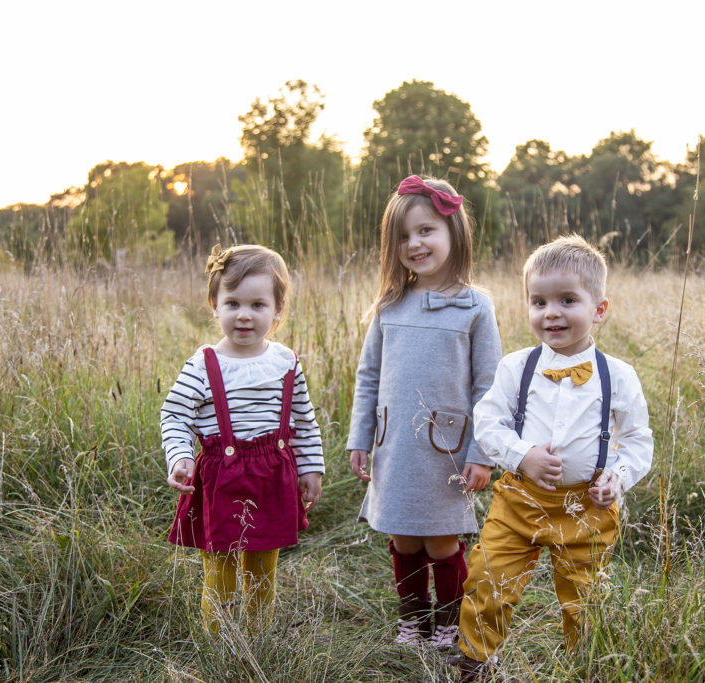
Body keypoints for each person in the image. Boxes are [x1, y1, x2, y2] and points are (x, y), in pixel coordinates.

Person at [455, 234, 653, 679]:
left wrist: (617, 477)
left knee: (585, 596)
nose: (552, 313)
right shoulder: (516, 366)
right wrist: (522, 455)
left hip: (588, 506)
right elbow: (488, 422)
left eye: (568, 300)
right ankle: (476, 660)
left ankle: (585, 663)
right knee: (488, 579)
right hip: (519, 502)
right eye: (539, 301)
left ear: (599, 309)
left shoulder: (618, 376)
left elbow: (637, 439)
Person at [347, 175, 502, 650]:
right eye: (402, 236)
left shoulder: (475, 307)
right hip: (395, 447)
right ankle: (412, 621)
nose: (414, 243)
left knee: (441, 542)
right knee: (404, 539)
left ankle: (449, 624)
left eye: (426, 230)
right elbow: (368, 376)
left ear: (455, 232)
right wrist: (359, 436)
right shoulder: (389, 307)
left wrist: (482, 453)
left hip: (448, 453)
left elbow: (489, 387)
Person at [162, 244, 324, 635]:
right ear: (214, 306)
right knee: (222, 571)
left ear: (278, 310)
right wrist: (180, 456)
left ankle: (256, 640)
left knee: (263, 569)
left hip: (272, 476)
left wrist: (311, 467)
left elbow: (304, 419)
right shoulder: (204, 363)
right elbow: (175, 414)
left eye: (258, 304)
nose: (245, 315)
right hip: (222, 479)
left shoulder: (286, 361)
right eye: (232, 303)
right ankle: (219, 647)